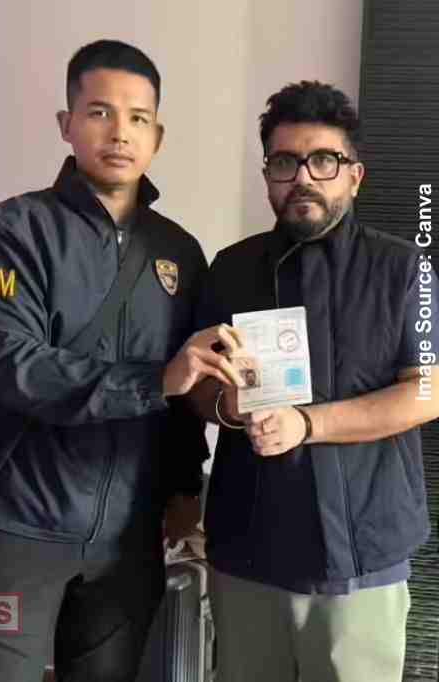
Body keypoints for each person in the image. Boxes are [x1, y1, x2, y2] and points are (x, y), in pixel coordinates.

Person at [0, 40, 241, 681]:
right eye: (100, 112)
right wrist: (152, 381)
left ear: (157, 135)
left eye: (138, 117)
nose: (120, 132)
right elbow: (11, 364)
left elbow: (187, 393)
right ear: (66, 124)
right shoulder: (12, 229)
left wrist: (186, 489)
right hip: (17, 522)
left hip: (129, 536)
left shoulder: (180, 252)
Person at [190, 81, 439, 682]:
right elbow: (197, 388)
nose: (303, 177)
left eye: (323, 160)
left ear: (354, 175)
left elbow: (428, 390)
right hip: (247, 548)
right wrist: (227, 407)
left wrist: (307, 423)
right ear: (267, 175)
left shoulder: (408, 269)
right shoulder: (230, 268)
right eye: (284, 162)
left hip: (365, 552)